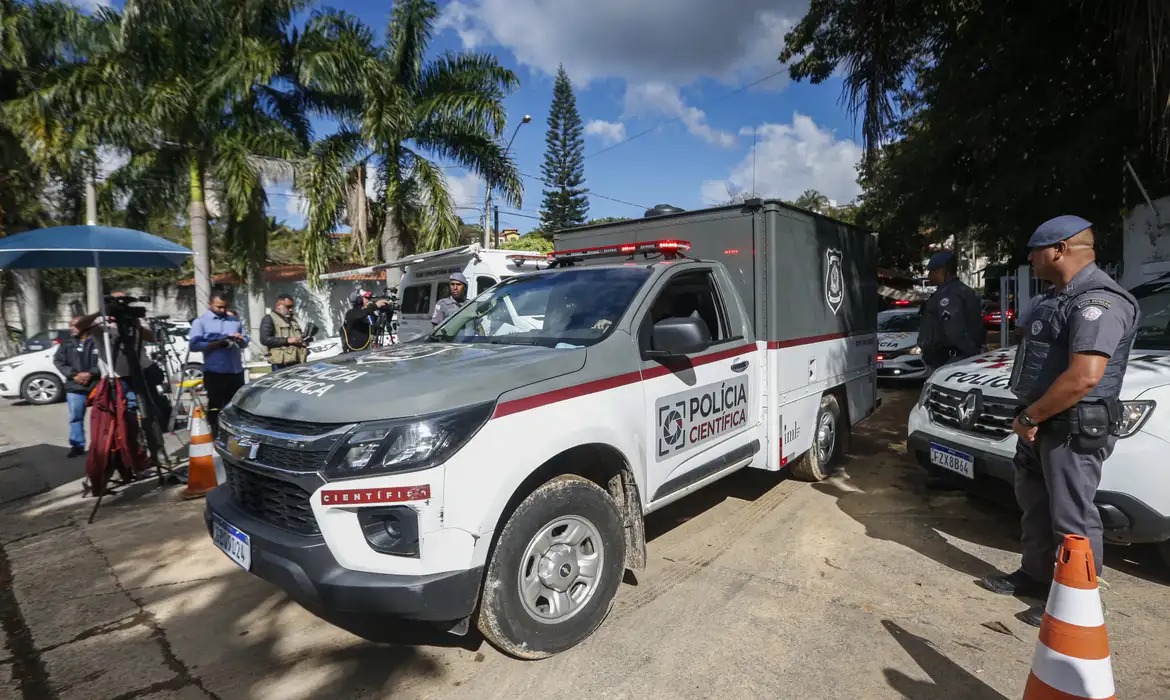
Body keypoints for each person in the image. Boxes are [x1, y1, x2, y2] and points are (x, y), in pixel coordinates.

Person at [980, 215, 1139, 627]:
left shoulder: (1098, 301)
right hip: (1040, 423)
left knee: (1073, 518)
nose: (1030, 260)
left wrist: (1033, 414)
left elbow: (1086, 375)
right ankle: (1035, 577)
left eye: (1034, 251)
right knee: (1034, 504)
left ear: (1059, 249)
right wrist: (1029, 415)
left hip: (1071, 427)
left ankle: (1077, 601)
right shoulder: (1055, 298)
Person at [188, 294, 249, 437]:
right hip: (215, 371)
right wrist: (216, 344)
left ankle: (234, 433)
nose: (222, 310)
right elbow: (194, 345)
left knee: (235, 404)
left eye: (225, 307)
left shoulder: (234, 321)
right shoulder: (200, 322)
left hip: (235, 371)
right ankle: (215, 433)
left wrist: (241, 340)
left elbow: (245, 341)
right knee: (215, 404)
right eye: (218, 307)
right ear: (210, 304)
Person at [917, 250, 986, 369]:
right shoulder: (962, 291)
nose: (929, 276)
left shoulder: (948, 295)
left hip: (950, 360)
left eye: (932, 271)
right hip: (953, 358)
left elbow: (954, 330)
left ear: (942, 270)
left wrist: (972, 352)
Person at [52, 316, 100, 458]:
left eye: (76, 325)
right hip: (75, 385)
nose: (72, 328)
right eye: (71, 325)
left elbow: (104, 361)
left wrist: (91, 374)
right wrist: (74, 375)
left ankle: (101, 445)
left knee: (101, 416)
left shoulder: (98, 341)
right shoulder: (67, 343)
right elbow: (59, 361)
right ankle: (77, 445)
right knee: (75, 417)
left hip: (96, 384)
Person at [260, 294, 306, 371]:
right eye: (288, 307)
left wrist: (304, 339)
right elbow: (265, 339)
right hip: (281, 364)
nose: (291, 309)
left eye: (292, 307)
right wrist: (287, 340)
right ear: (279, 305)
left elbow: (297, 336)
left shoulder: (292, 320)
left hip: (298, 361)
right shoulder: (269, 319)